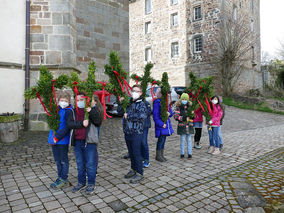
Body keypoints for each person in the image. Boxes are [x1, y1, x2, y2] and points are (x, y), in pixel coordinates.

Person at [66, 92, 94, 195]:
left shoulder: (90, 110)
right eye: (77, 100)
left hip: (89, 141)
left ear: (86, 100)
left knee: (90, 163)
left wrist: (92, 112)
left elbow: (98, 120)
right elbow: (70, 123)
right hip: (77, 141)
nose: (79, 102)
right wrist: (81, 124)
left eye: (81, 100)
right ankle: (81, 182)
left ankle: (91, 183)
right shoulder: (72, 112)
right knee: (80, 163)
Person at [122, 84, 147, 184]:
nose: (134, 93)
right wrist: (121, 102)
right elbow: (121, 112)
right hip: (128, 131)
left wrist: (129, 116)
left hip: (136, 132)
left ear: (140, 93)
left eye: (136, 91)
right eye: (133, 90)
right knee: (131, 153)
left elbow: (142, 116)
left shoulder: (142, 104)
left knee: (136, 153)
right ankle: (133, 169)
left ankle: (140, 173)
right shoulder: (129, 103)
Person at [48, 91, 73, 189]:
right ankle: (60, 176)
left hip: (62, 140)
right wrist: (53, 137)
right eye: (61, 100)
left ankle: (64, 178)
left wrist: (57, 137)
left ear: (69, 101)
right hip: (53, 139)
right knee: (57, 160)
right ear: (58, 101)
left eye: (65, 101)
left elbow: (67, 127)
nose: (63, 102)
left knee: (63, 160)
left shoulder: (69, 111)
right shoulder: (56, 110)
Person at [153, 88, 174, 162]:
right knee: (161, 140)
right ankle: (158, 155)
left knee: (163, 140)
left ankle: (161, 154)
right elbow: (155, 116)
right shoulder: (157, 103)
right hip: (161, 126)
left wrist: (169, 113)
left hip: (166, 125)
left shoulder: (165, 102)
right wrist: (161, 124)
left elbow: (171, 112)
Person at [174, 93, 194, 158]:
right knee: (182, 139)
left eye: (186, 99)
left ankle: (189, 153)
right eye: (183, 99)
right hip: (182, 126)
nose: (184, 100)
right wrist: (184, 118)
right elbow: (176, 117)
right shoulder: (178, 107)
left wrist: (192, 116)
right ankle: (182, 153)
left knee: (189, 140)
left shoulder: (190, 107)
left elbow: (193, 116)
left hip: (189, 126)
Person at [141, 100, 152, 168]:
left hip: (144, 126)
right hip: (137, 126)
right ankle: (141, 157)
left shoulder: (146, 103)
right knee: (138, 142)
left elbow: (148, 112)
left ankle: (146, 159)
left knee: (144, 142)